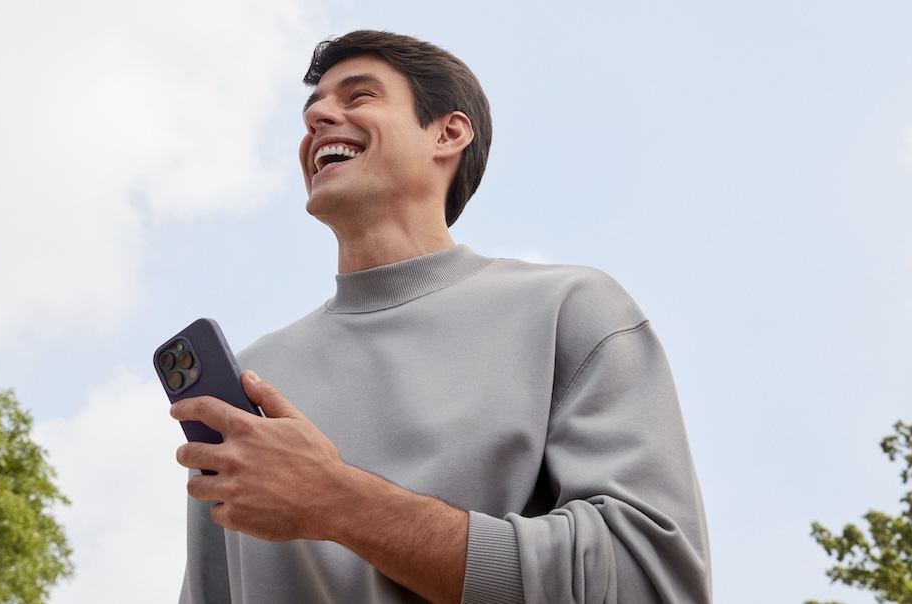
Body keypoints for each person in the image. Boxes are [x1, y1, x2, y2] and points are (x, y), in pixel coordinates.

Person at [170, 30, 710, 604]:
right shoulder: (253, 380)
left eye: (358, 97)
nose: (320, 118)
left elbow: (646, 581)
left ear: (448, 133)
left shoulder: (567, 310)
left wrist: (337, 501)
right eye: (313, 109)